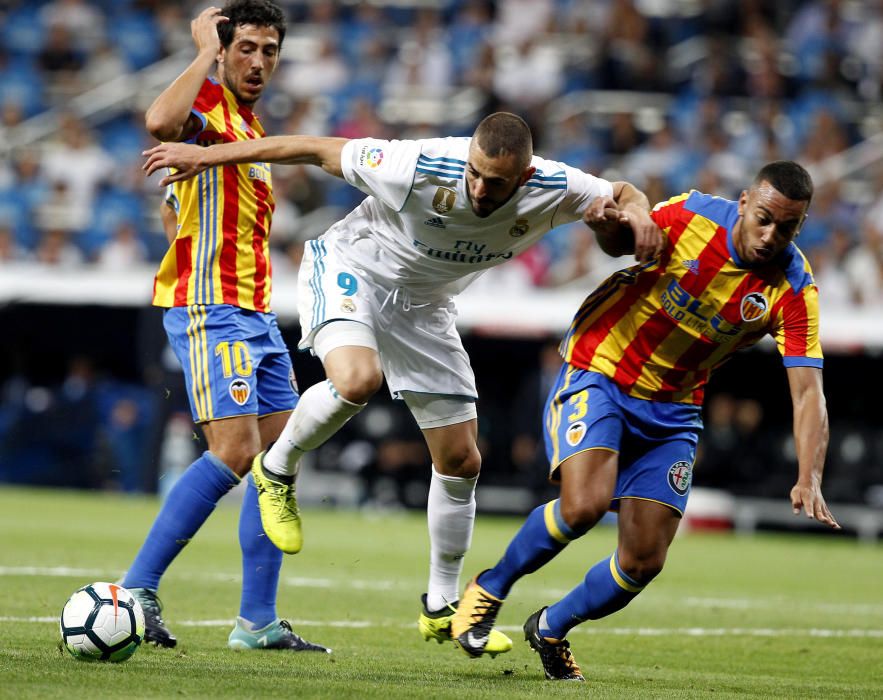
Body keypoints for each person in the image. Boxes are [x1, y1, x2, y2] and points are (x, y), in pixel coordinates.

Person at [142, 110, 662, 655]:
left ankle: (440, 605)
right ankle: (277, 469)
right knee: (358, 379)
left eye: (497, 182)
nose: (482, 188)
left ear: (526, 177)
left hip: (425, 307)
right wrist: (204, 156)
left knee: (462, 460)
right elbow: (310, 148)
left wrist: (637, 215)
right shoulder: (419, 164)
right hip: (352, 270)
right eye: (476, 174)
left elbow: (623, 191)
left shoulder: (556, 185)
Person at [447, 160, 840, 681]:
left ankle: (549, 627)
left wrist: (809, 474)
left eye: (787, 227)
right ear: (745, 202)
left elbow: (808, 391)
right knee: (583, 505)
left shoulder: (792, 288)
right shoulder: (691, 216)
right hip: (603, 368)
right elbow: (622, 243)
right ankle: (491, 586)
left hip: (674, 412)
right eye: (764, 218)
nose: (771, 236)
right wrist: (607, 223)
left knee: (643, 560)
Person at [121, 1, 328, 654]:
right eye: (246, 48)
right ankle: (135, 591)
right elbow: (156, 122)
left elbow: (176, 209)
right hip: (211, 307)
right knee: (234, 451)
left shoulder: (248, 124)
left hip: (256, 312)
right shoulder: (206, 107)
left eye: (269, 50)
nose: (258, 61)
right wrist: (206, 50)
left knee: (277, 460)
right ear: (222, 47)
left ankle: (256, 622)